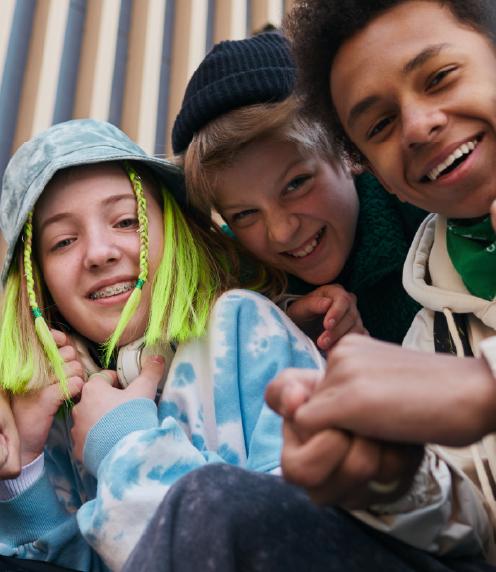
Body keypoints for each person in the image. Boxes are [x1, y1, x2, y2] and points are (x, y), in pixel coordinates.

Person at [0, 118, 327, 571]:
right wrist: (27, 471)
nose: (99, 252)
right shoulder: (54, 410)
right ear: (38, 285)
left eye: (126, 220)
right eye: (64, 241)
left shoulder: (243, 326)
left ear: (173, 230)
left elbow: (303, 540)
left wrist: (125, 442)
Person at [266, 0, 496, 561]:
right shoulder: (433, 335)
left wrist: (485, 387)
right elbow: (475, 524)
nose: (418, 127)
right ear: (376, 174)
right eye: (380, 125)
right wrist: (396, 483)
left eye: (439, 77)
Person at [172, 30, 427, 349]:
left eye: (295, 184)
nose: (281, 232)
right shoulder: (230, 281)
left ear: (347, 149)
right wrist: (278, 328)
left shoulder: (428, 210)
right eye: (245, 214)